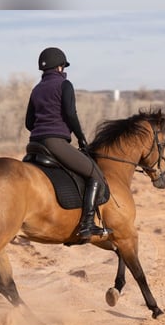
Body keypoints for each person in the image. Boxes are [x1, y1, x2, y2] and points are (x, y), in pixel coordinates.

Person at [25, 47, 111, 240]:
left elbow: (28, 123)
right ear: (60, 67)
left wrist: (42, 127)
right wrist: (80, 137)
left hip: (35, 144)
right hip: (55, 142)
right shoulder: (65, 85)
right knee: (95, 174)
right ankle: (87, 224)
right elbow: (71, 114)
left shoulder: (37, 89)